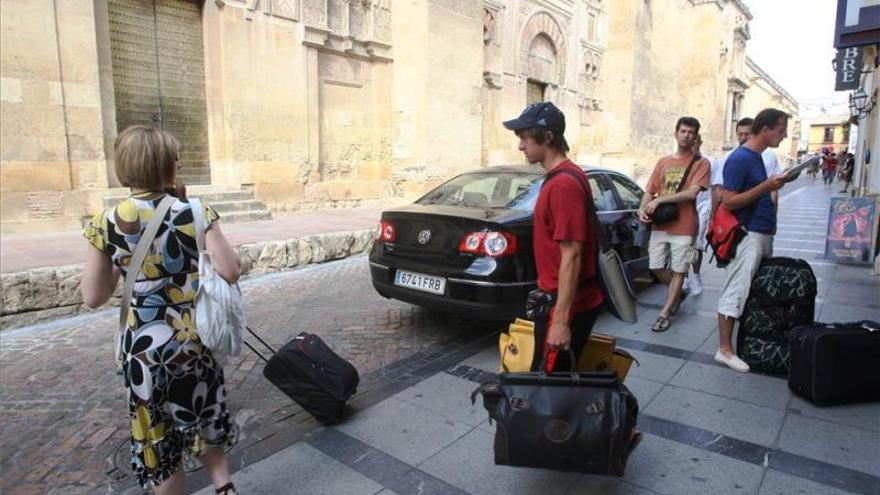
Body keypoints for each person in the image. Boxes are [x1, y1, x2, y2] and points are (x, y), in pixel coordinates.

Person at [81, 125, 241, 495]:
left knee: (159, 440)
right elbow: (230, 270)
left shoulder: (105, 223)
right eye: (175, 157)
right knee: (203, 415)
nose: (180, 161)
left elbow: (93, 296)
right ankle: (225, 488)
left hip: (146, 352)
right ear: (167, 165)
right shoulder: (196, 211)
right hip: (193, 342)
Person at [502, 102, 604, 371]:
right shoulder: (562, 177)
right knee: (552, 382)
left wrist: (560, 322)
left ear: (548, 137)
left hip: (566, 306)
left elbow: (572, 255)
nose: (521, 146)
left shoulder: (564, 184)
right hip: (559, 301)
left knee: (548, 390)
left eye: (525, 138)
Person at [715, 108, 791, 373]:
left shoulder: (757, 157)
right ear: (766, 129)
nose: (784, 136)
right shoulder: (740, 158)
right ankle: (724, 350)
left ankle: (736, 345)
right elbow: (729, 201)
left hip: (760, 232)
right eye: (781, 130)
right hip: (747, 234)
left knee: (750, 291)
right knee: (736, 289)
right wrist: (766, 187)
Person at [639, 117, 710, 332]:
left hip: (685, 225)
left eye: (691, 132)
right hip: (661, 224)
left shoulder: (701, 163)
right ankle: (678, 292)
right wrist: (643, 208)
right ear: (675, 133)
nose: (686, 135)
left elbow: (692, 193)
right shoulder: (663, 162)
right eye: (683, 131)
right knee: (656, 266)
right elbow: (649, 190)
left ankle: (665, 313)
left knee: (679, 269)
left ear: (696, 137)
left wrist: (660, 200)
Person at [684, 133, 718, 296]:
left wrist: (713, 214)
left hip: (702, 209)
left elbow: (715, 189)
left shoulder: (710, 162)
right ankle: (682, 276)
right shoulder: (680, 162)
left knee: (697, 245)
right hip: (683, 209)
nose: (691, 144)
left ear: (700, 142)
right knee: (681, 245)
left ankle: (696, 276)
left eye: (694, 141)